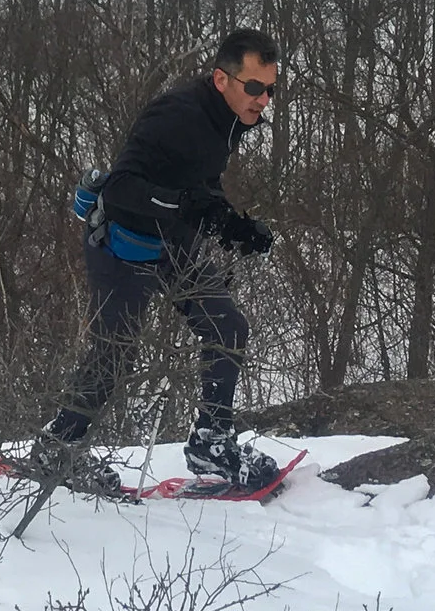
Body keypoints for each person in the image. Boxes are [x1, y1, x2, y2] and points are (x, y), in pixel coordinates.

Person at [28, 27, 284, 493]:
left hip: (172, 245)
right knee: (114, 353)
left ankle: (211, 441)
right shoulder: (176, 115)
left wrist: (233, 226)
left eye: (270, 89)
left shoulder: (229, 120)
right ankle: (56, 448)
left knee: (227, 326)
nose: (264, 100)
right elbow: (122, 189)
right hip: (121, 243)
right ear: (222, 80)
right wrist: (185, 205)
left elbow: (199, 183)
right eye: (254, 87)